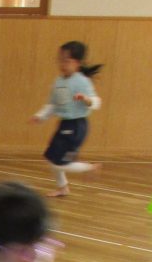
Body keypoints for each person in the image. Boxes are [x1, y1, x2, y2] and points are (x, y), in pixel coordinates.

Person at [31, 40, 103, 197]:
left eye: (67, 60)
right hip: (64, 125)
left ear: (77, 63)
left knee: (61, 163)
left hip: (76, 126)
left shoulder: (82, 82)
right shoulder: (59, 82)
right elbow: (54, 105)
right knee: (52, 159)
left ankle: (90, 168)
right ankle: (62, 188)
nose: (62, 64)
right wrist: (40, 116)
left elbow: (97, 102)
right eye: (60, 60)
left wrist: (87, 99)